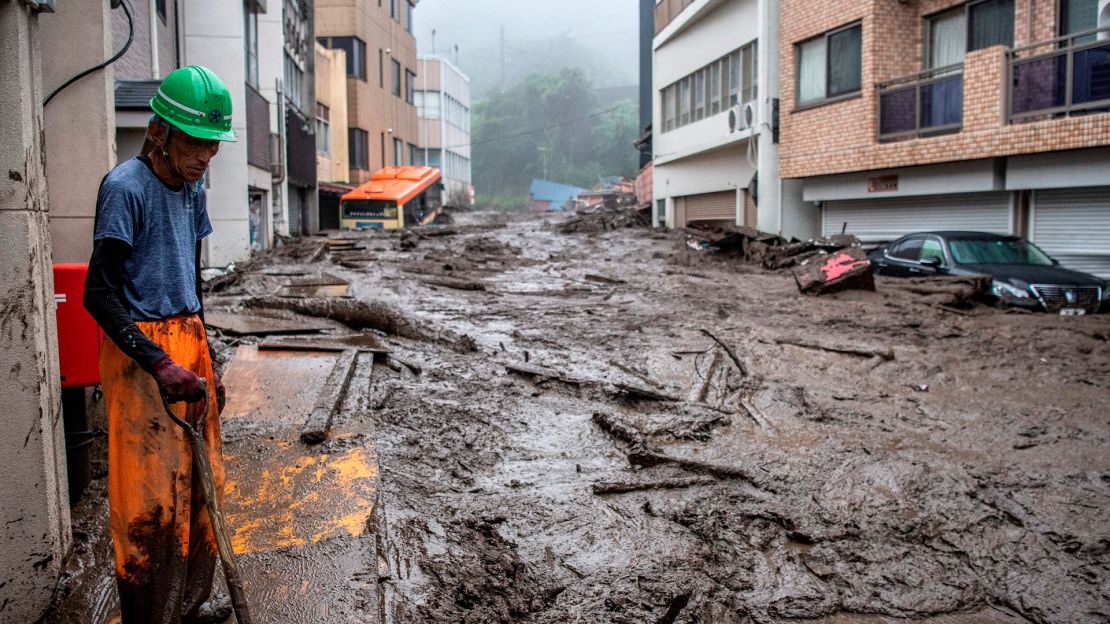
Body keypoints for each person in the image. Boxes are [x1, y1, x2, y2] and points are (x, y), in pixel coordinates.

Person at [83, 65, 237, 624]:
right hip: (140, 348)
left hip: (187, 337)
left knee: (201, 484)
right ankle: (150, 613)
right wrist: (157, 363)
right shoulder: (125, 188)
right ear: (159, 132)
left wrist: (206, 353)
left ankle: (189, 603)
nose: (203, 157)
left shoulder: (193, 189)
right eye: (194, 143)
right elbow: (98, 294)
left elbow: (190, 278)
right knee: (150, 495)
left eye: (212, 146)